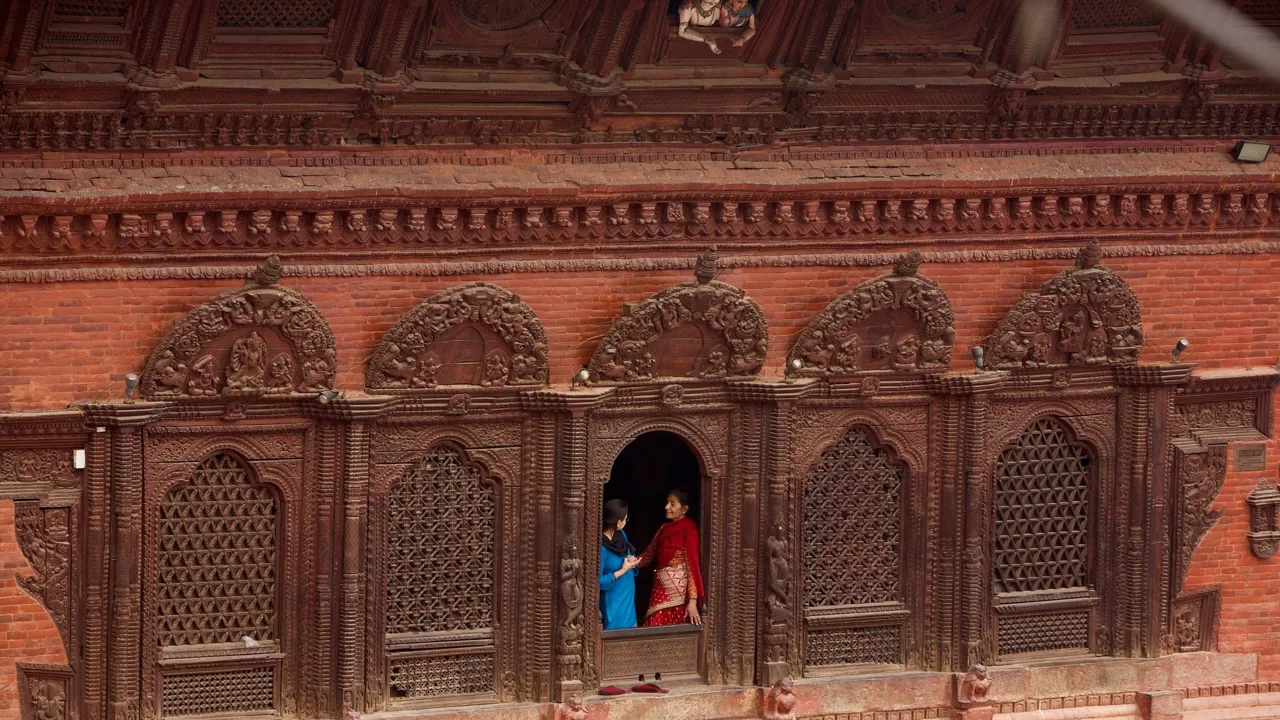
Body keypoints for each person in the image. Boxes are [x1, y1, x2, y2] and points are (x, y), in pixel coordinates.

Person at [638, 490, 704, 626]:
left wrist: (692, 601)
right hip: (659, 589)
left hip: (679, 594)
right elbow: (647, 556)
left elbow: (692, 566)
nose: (666, 507)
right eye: (667, 503)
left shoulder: (690, 530)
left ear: (684, 509)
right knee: (654, 625)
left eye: (672, 504)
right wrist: (625, 564)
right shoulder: (663, 529)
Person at [599, 499, 641, 630]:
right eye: (625, 519)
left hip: (628, 599)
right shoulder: (601, 548)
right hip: (614, 604)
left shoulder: (621, 535)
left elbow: (626, 553)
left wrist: (631, 559)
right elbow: (597, 581)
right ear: (618, 522)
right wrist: (622, 570)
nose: (626, 522)